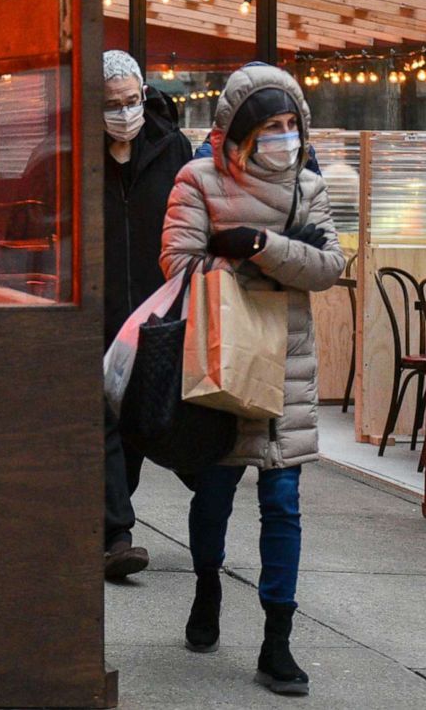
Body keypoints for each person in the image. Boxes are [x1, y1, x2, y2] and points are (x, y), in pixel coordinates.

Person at [158, 62, 345, 696]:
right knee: (212, 495)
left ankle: (277, 642)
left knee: (283, 504)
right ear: (241, 129)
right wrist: (245, 254)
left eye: (293, 125)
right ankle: (207, 585)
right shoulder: (197, 179)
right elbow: (178, 264)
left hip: (286, 367)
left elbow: (328, 267)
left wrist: (260, 245)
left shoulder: (308, 187)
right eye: (271, 126)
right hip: (220, 360)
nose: (285, 137)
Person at [102, 49, 194, 580]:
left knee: (145, 419)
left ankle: (111, 522)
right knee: (106, 418)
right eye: (112, 104)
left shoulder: (170, 146)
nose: (124, 112)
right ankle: (117, 533)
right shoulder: (75, 155)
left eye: (130, 100)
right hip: (100, 310)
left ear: (143, 94)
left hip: (158, 312)